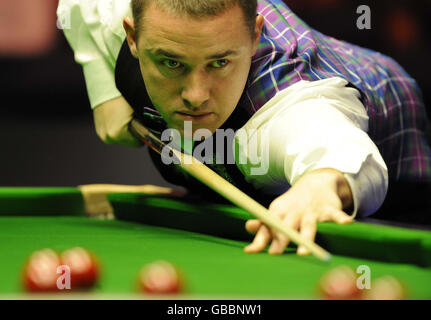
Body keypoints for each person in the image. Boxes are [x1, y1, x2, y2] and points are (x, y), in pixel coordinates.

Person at [57, 0, 431, 255]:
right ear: (133, 36)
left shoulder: (286, 106)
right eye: (171, 63)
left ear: (254, 36)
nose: (195, 96)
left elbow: (343, 153)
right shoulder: (117, 22)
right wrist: (103, 88)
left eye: (219, 63)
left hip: (404, 175)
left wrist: (320, 186)